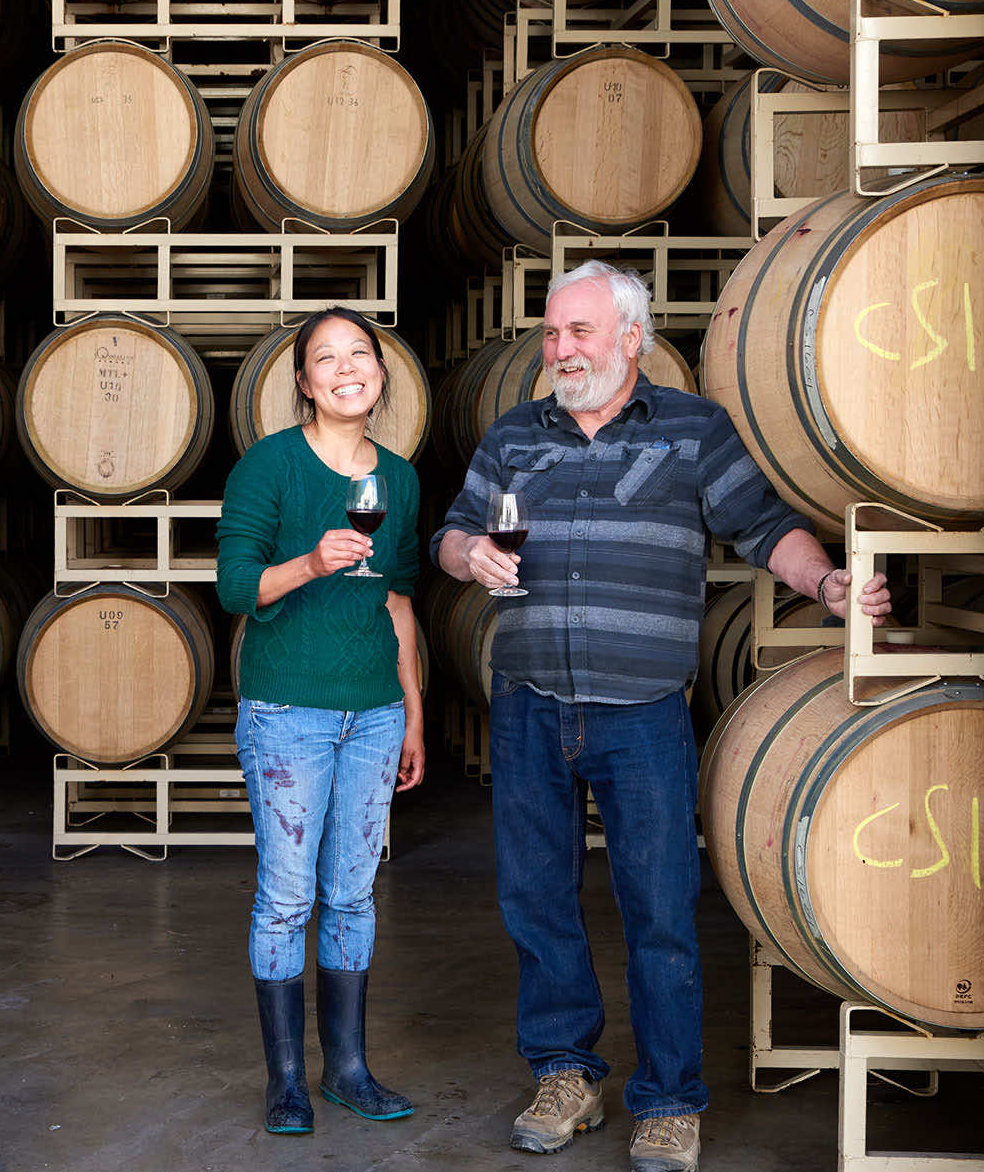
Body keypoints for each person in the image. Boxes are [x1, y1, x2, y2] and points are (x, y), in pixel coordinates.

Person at [431, 261, 893, 1172]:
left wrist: (828, 580)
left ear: (631, 337)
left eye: (581, 333)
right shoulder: (515, 433)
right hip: (528, 703)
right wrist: (469, 553)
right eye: (554, 334)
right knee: (535, 899)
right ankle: (565, 1071)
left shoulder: (692, 430)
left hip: (641, 714)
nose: (562, 351)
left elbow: (764, 528)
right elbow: (450, 532)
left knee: (660, 911)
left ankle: (671, 1099)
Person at [216, 306, 427, 1136]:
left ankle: (348, 1069)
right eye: (325, 357)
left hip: (374, 711)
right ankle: (287, 1081)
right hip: (288, 711)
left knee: (353, 893)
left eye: (361, 354)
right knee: (285, 899)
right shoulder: (267, 468)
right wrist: (311, 559)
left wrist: (413, 713)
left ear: (381, 372)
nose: (347, 367)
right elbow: (237, 589)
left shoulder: (401, 479)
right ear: (303, 381)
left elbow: (401, 600)